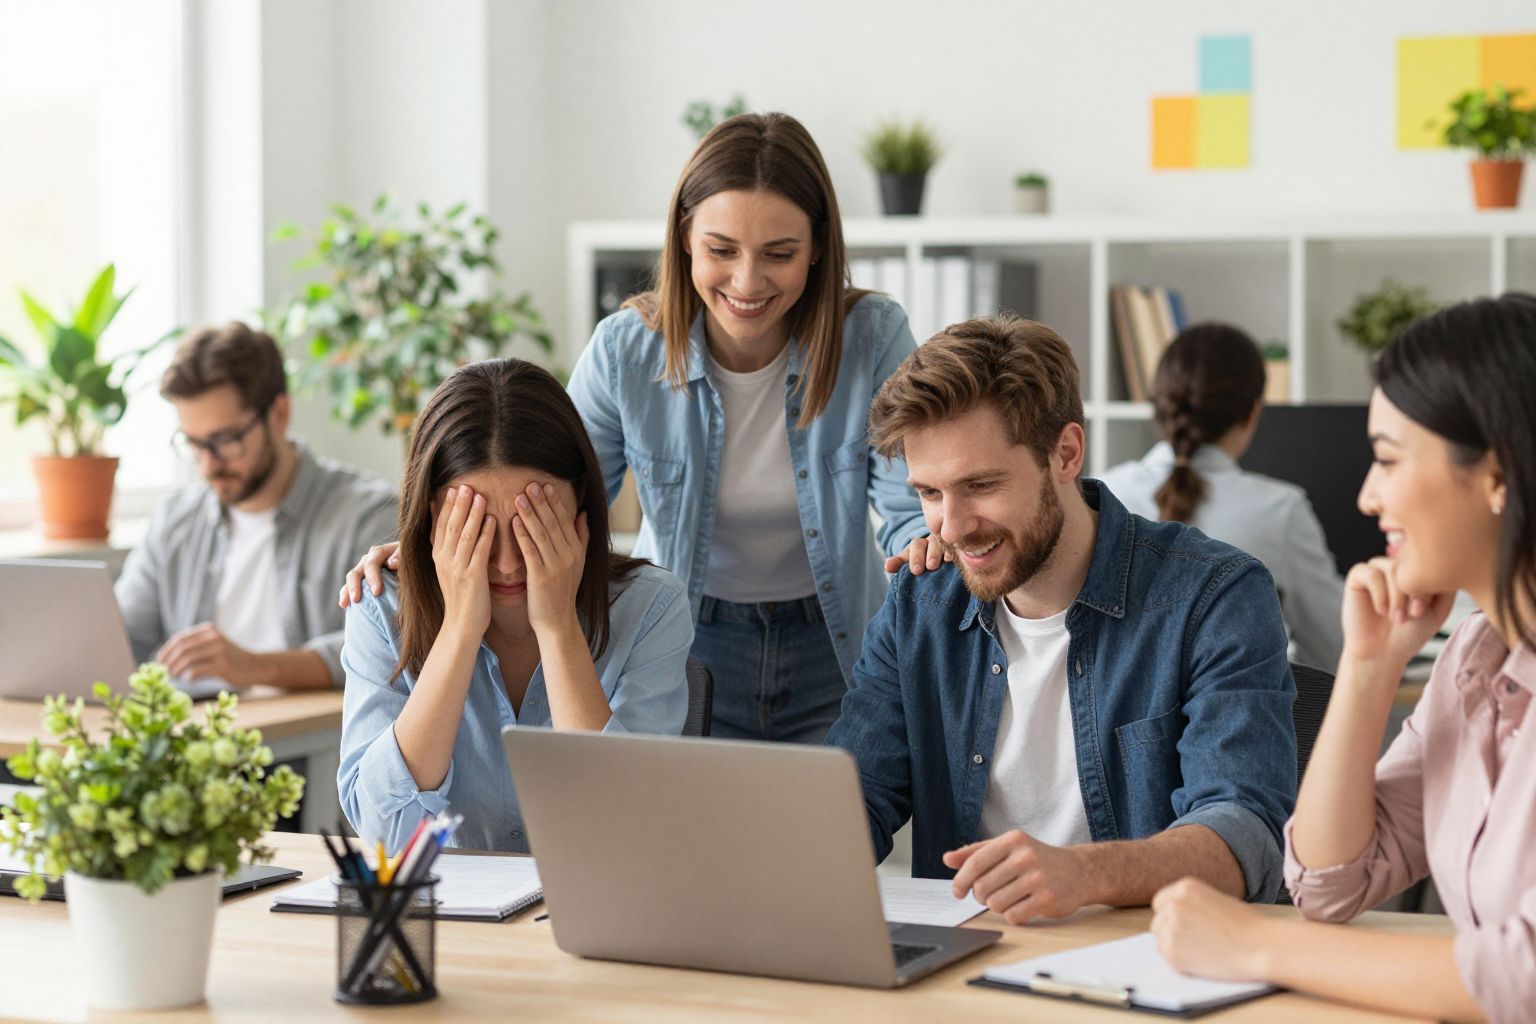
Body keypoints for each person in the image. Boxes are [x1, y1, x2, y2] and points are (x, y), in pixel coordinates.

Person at [344, 112, 937, 743]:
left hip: (834, 635)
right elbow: (553, 497)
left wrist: (934, 542)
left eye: (779, 254)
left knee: (830, 809)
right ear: (684, 238)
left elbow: (911, 505)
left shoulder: (872, 337)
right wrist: (423, 548)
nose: (747, 281)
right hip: (686, 635)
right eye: (721, 250)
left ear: (818, 246)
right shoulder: (625, 350)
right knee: (675, 809)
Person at [824, 314, 1297, 922]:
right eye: (930, 493)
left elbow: (1245, 836)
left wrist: (1085, 873)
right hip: (965, 956)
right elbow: (852, 800)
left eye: (981, 485)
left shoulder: (1215, 597)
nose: (952, 527)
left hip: (1146, 953)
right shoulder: (922, 603)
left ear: (1066, 453)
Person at [1151, 294, 1536, 1024]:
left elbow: (1525, 975)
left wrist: (1255, 945)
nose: (1367, 496)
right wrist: (1368, 666)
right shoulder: (1475, 657)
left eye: (1388, 460)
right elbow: (1330, 882)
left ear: (1499, 474)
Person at [338, 359, 692, 852]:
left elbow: (624, 832)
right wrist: (459, 629)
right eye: (475, 529)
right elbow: (384, 833)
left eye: (535, 526)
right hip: (450, 901)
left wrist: (559, 627)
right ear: (432, 516)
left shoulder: (651, 606)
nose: (507, 564)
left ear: (581, 506)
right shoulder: (382, 605)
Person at [114, 322, 396, 691]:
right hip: (194, 725)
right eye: (194, 444)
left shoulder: (367, 514)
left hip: (305, 728)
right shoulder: (175, 519)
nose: (208, 464)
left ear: (279, 414)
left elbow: (390, 643)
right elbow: (119, 638)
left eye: (225, 440)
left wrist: (253, 667)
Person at [1099, 323, 1344, 670]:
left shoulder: (1100, 493)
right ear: (1253, 411)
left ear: (1158, 406)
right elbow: (1333, 651)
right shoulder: (1280, 510)